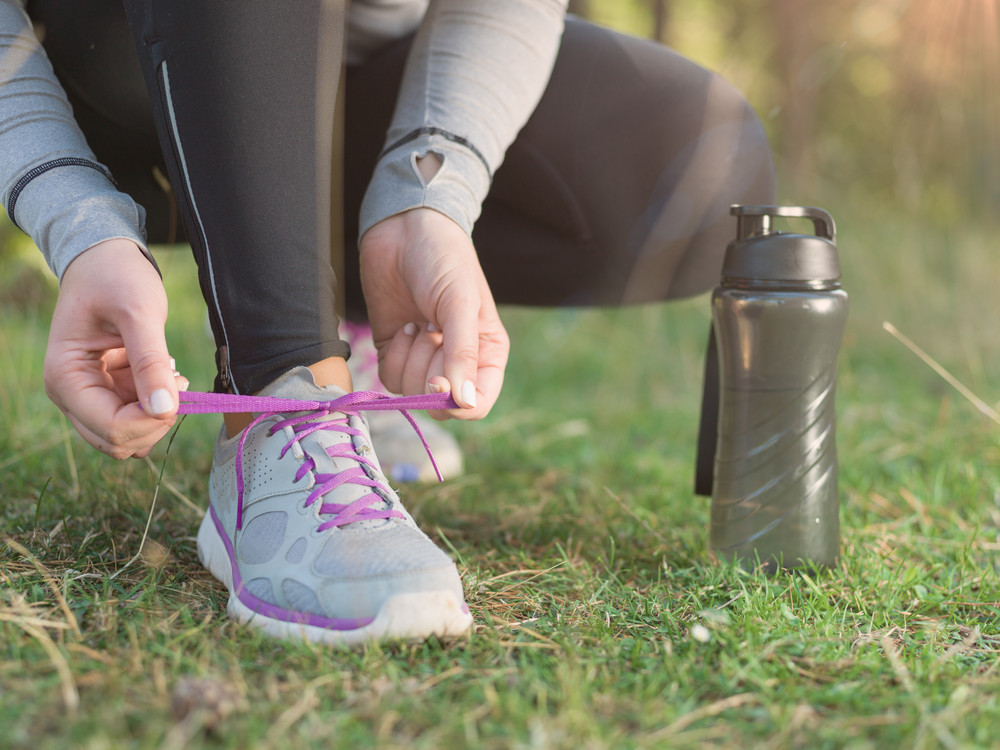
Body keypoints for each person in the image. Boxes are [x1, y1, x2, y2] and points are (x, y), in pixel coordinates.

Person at [1, 0, 776, 645]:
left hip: (352, 84)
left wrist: (430, 190)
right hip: (107, 80)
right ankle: (282, 393)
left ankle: (330, 322)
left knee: (704, 154)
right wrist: (75, 217)